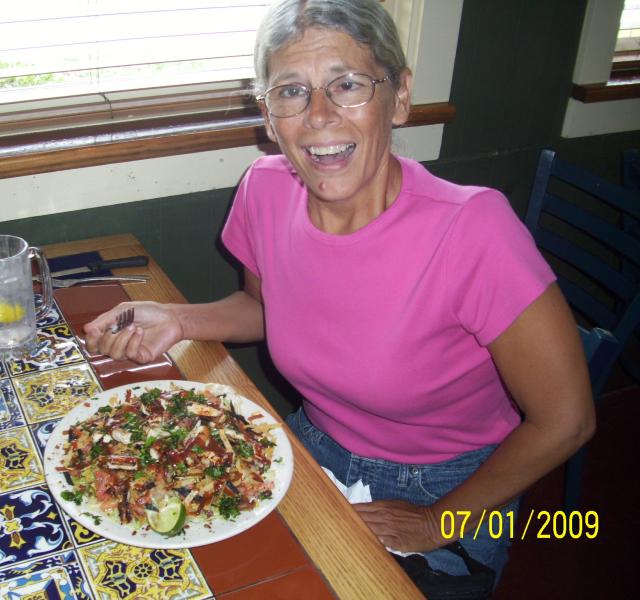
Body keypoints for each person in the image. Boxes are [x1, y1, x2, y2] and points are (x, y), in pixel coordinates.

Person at [84, 0, 594, 585]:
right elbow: (264, 308)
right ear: (269, 117)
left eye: (347, 85)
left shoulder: (474, 230)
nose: (319, 115)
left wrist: (434, 522)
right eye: (292, 92)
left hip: (452, 488)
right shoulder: (265, 189)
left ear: (399, 97)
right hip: (311, 447)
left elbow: (567, 420)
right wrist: (177, 318)